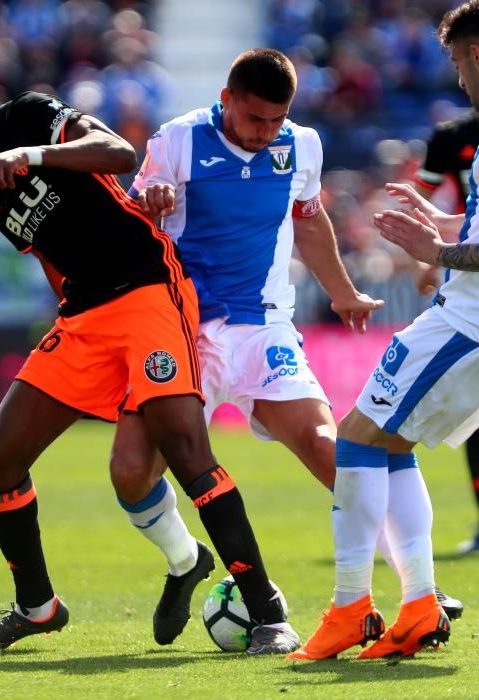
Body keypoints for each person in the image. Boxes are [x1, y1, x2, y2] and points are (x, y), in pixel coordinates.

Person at [0, 90, 298, 655]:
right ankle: (38, 608)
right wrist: (65, 327)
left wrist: (30, 156)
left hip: (147, 287)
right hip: (84, 315)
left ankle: (268, 612)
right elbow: (52, 258)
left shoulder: (27, 115)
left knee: (183, 448)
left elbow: (118, 153)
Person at [103, 47, 462, 650]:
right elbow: (137, 213)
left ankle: (418, 592)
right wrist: (151, 203)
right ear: (227, 101)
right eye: (254, 120)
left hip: (264, 327)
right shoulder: (177, 140)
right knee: (131, 471)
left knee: (332, 446)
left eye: (277, 120)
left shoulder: (301, 145)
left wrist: (344, 293)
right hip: (182, 328)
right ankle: (184, 557)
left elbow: (309, 219)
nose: (266, 133)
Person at [290, 1, 479, 661]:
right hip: (461, 315)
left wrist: (436, 253)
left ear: (477, 55)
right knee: (389, 445)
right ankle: (420, 606)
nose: (458, 78)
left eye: (459, 62)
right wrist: (443, 226)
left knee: (356, 439)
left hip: (470, 322)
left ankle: (349, 607)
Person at [414, 109, 479, 555]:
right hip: (468, 279)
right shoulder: (452, 136)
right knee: (474, 423)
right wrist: (428, 258)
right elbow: (424, 196)